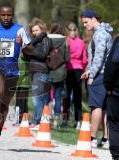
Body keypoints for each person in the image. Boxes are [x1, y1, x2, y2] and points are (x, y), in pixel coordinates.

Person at [0, 4, 32, 151]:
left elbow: (29, 49)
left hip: (13, 70)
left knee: (4, 105)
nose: (6, 17)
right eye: (3, 15)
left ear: (13, 15)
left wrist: (21, 44)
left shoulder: (20, 29)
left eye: (9, 15)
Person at [81, 9, 113, 148]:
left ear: (93, 19)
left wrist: (92, 74)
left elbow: (99, 57)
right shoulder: (105, 32)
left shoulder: (99, 34)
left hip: (100, 74)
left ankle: (92, 138)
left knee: (96, 106)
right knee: (105, 107)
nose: (84, 25)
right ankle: (106, 140)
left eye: (86, 22)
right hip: (107, 73)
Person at [23, 18, 52, 129]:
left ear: (42, 29)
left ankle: (37, 121)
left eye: (37, 30)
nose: (35, 32)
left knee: (37, 97)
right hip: (33, 70)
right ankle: (42, 121)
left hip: (42, 70)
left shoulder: (46, 40)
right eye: (33, 31)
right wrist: (25, 51)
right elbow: (27, 56)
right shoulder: (32, 42)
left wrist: (30, 50)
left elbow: (43, 54)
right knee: (41, 97)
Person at [63, 22, 87, 129]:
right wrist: (83, 67)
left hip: (68, 69)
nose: (72, 32)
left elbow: (63, 56)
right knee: (77, 96)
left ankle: (65, 120)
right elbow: (85, 59)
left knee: (67, 96)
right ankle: (78, 121)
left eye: (73, 30)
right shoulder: (81, 42)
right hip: (78, 70)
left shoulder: (66, 41)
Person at [47, 22, 70, 128]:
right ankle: (56, 120)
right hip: (60, 72)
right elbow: (67, 58)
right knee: (58, 96)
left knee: (47, 96)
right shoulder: (65, 40)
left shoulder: (46, 39)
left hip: (48, 70)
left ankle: (47, 118)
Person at [104, 35, 119, 160]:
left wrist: (108, 86)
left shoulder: (118, 42)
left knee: (114, 124)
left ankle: (116, 155)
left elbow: (111, 65)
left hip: (116, 92)